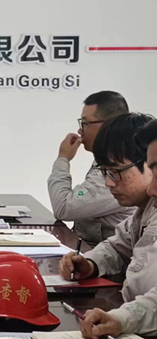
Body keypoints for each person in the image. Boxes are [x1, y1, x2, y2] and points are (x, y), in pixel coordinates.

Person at [58, 113, 157, 337]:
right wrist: (90, 263)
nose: (108, 183)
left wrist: (121, 319)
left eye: (115, 172)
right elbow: (117, 245)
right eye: (105, 172)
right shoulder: (144, 211)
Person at [48, 91, 134, 245]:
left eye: (85, 123)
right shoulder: (105, 157)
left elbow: (63, 208)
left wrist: (63, 159)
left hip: (109, 256)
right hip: (96, 251)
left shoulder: (120, 164)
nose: (80, 130)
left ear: (108, 124)